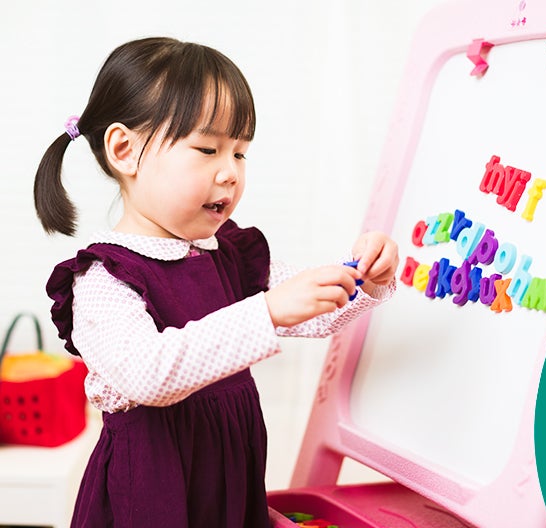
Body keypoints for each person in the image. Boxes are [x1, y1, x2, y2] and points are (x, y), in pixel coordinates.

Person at [33, 37, 399, 527]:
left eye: (241, 153)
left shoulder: (230, 254)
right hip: (152, 499)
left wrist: (366, 277)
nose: (230, 173)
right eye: (208, 149)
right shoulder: (103, 279)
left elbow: (311, 312)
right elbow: (150, 375)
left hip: (225, 489)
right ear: (125, 150)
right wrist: (267, 311)